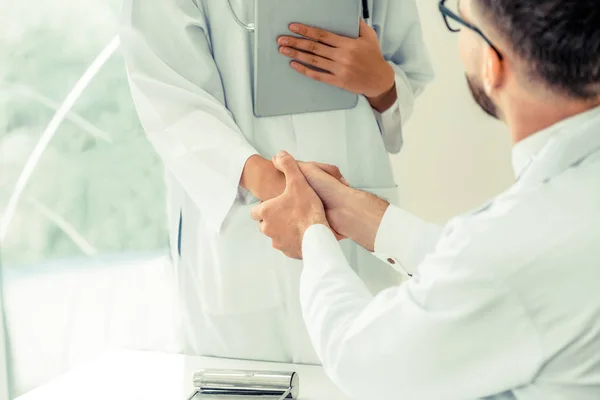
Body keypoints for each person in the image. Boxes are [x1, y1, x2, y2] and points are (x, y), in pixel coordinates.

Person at [253, 0, 600, 398]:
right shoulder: (563, 208)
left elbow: (362, 363)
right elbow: (493, 270)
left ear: (493, 63)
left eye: (459, 22)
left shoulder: (512, 250)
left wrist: (311, 234)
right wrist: (355, 212)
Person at [119, 0, 433, 363]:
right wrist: (279, 186)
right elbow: (166, 90)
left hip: (354, 217)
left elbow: (408, 73)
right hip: (246, 225)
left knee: (364, 372)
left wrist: (380, 83)